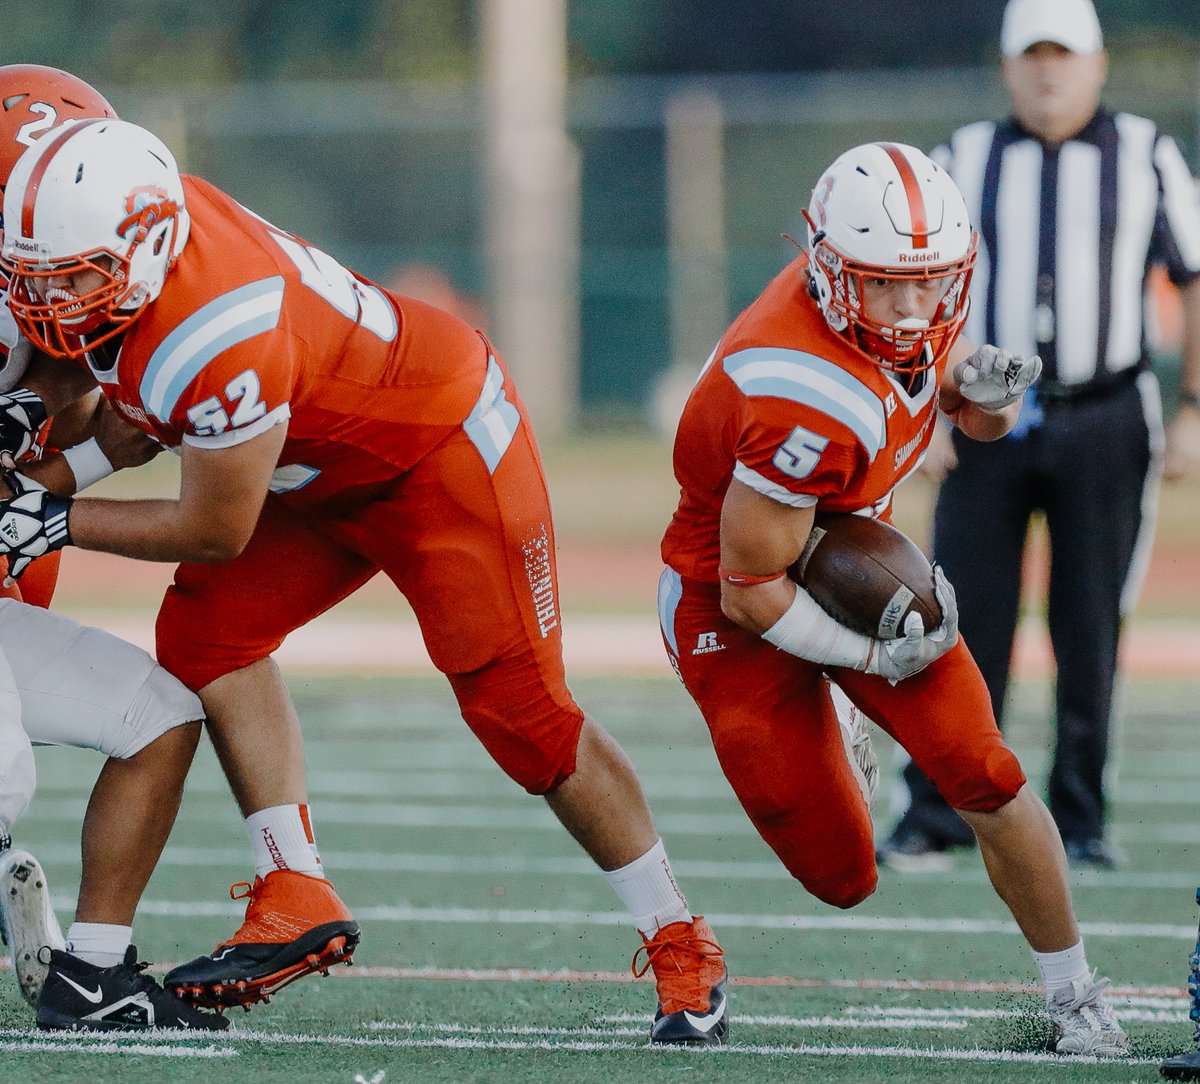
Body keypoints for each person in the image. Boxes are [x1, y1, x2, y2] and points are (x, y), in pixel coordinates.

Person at [0, 117, 729, 1045]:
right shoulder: (132, 265)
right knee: (203, 641)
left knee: (524, 716)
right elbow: (130, 427)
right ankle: (291, 885)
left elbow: (214, 529)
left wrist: (48, 515)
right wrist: (43, 486)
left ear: (141, 249)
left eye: (72, 276)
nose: (48, 301)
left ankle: (681, 942)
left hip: (438, 451)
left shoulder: (209, 328)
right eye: (36, 276)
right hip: (312, 465)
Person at [657, 139, 1129, 1056]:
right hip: (729, 591)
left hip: (848, 551)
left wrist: (984, 400)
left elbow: (950, 397)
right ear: (836, 274)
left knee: (986, 775)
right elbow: (751, 587)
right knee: (844, 875)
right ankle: (840, 709)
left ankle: (1075, 996)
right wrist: (871, 659)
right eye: (885, 286)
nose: (914, 307)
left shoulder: (908, 289)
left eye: (930, 283)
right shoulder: (797, 383)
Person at [876, 0, 1200, 873]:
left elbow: (1195, 276)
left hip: (1105, 413)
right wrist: (922, 411)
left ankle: (1081, 816)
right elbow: (916, 291)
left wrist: (1194, 408)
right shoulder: (961, 159)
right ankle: (938, 809)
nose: (1049, 71)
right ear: (1008, 66)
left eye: (1065, 55)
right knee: (957, 613)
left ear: (1096, 65)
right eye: (1033, 55)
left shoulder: (1144, 153)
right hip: (984, 418)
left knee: (1090, 622)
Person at [0, 63, 228, 1033]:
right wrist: (86, 463)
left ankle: (91, 976)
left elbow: (60, 422)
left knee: (159, 711)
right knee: (5, 781)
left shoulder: (40, 295)